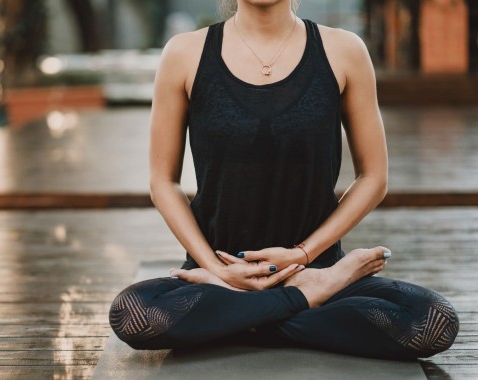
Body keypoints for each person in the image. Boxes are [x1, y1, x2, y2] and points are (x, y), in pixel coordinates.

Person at [108, 0, 459, 360]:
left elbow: (374, 178)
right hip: (219, 280)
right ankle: (301, 303)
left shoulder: (344, 50)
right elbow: (163, 183)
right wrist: (215, 270)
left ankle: (243, 318)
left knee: (431, 320)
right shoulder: (184, 53)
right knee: (134, 314)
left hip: (314, 269)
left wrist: (302, 256)